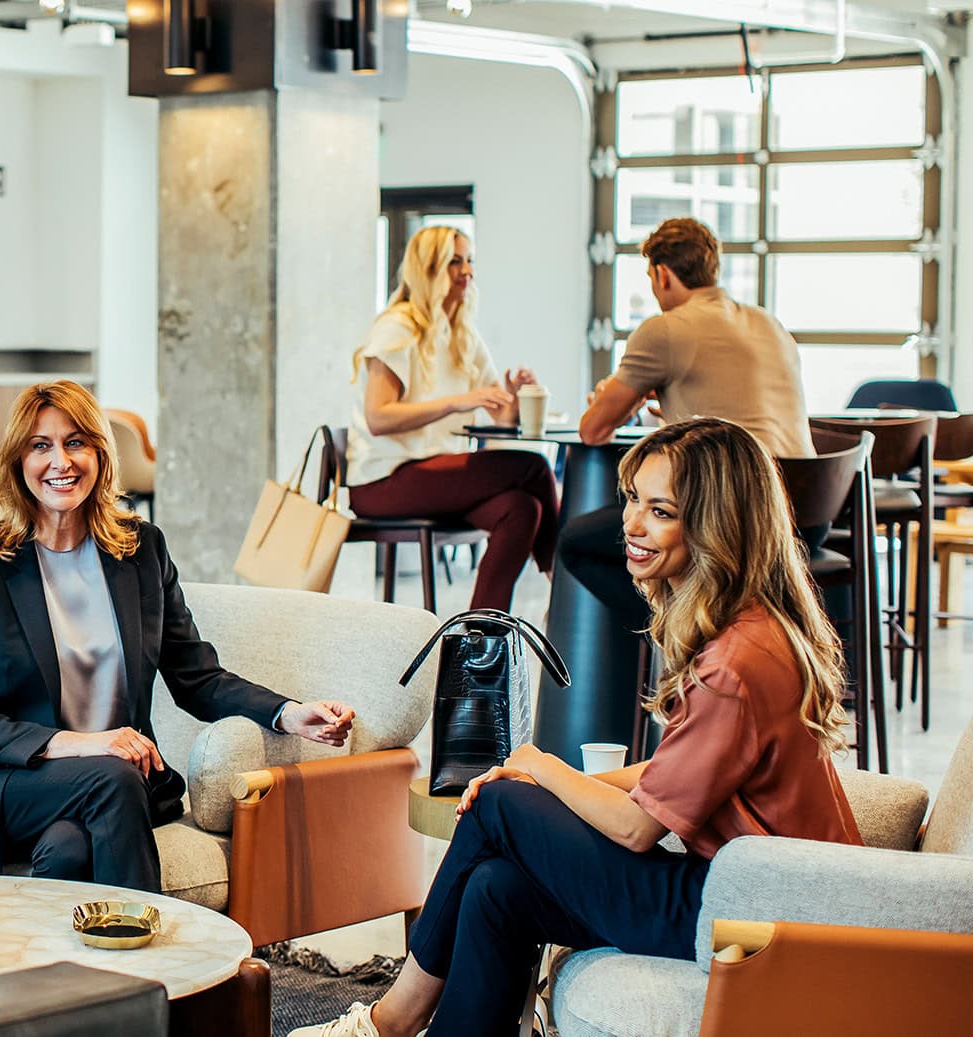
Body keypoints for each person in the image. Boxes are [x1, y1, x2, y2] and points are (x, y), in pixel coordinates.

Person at [295, 418, 861, 1037]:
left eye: (660, 510)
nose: (632, 523)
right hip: (756, 894)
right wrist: (541, 785)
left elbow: (639, 828)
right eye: (632, 500)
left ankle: (391, 1020)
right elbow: (673, 774)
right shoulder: (751, 631)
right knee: (496, 886)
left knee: (500, 804)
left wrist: (537, 767)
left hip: (755, 916)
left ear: (715, 529)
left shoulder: (734, 664)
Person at [0, 380, 358, 893]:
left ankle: (78, 969)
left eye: (76, 442)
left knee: (67, 851)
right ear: (19, 461)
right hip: (5, 784)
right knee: (111, 775)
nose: (60, 461)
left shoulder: (141, 550)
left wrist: (288, 713)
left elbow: (197, 676)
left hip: (108, 790)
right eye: (41, 446)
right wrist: (87, 746)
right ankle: (162, 961)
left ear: (100, 454)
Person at [561, 217, 813, 636]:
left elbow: (593, 429)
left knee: (579, 543)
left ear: (661, 274)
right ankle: (704, 627)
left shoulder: (665, 329)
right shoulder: (769, 323)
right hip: (809, 514)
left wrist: (631, 396)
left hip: (729, 518)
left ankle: (686, 631)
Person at [345, 225, 558, 612]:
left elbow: (500, 419)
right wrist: (457, 402)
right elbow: (379, 417)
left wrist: (512, 397)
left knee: (522, 508)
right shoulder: (398, 327)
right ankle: (563, 584)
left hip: (438, 478)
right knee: (533, 466)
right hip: (384, 481)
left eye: (470, 260)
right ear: (428, 269)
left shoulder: (462, 333)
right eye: (455, 261)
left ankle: (480, 635)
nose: (467, 271)